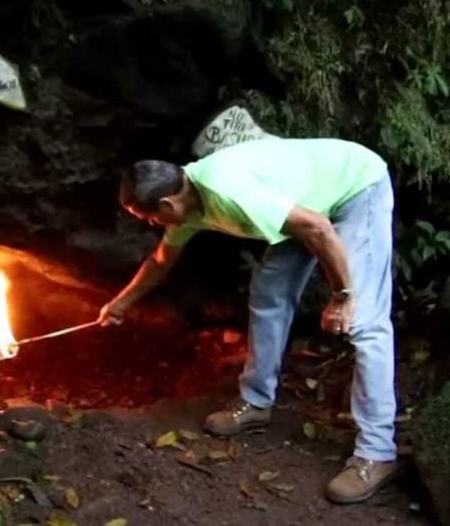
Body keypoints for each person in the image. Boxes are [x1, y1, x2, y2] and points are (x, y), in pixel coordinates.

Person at [97, 135, 401, 503]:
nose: (150, 224)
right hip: (305, 204)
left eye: (148, 217)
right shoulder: (187, 203)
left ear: (165, 203)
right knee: (269, 294)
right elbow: (162, 260)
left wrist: (344, 296)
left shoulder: (230, 191)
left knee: (365, 323)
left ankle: (377, 453)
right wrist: (121, 304)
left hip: (356, 186)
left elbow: (318, 228)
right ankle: (256, 402)